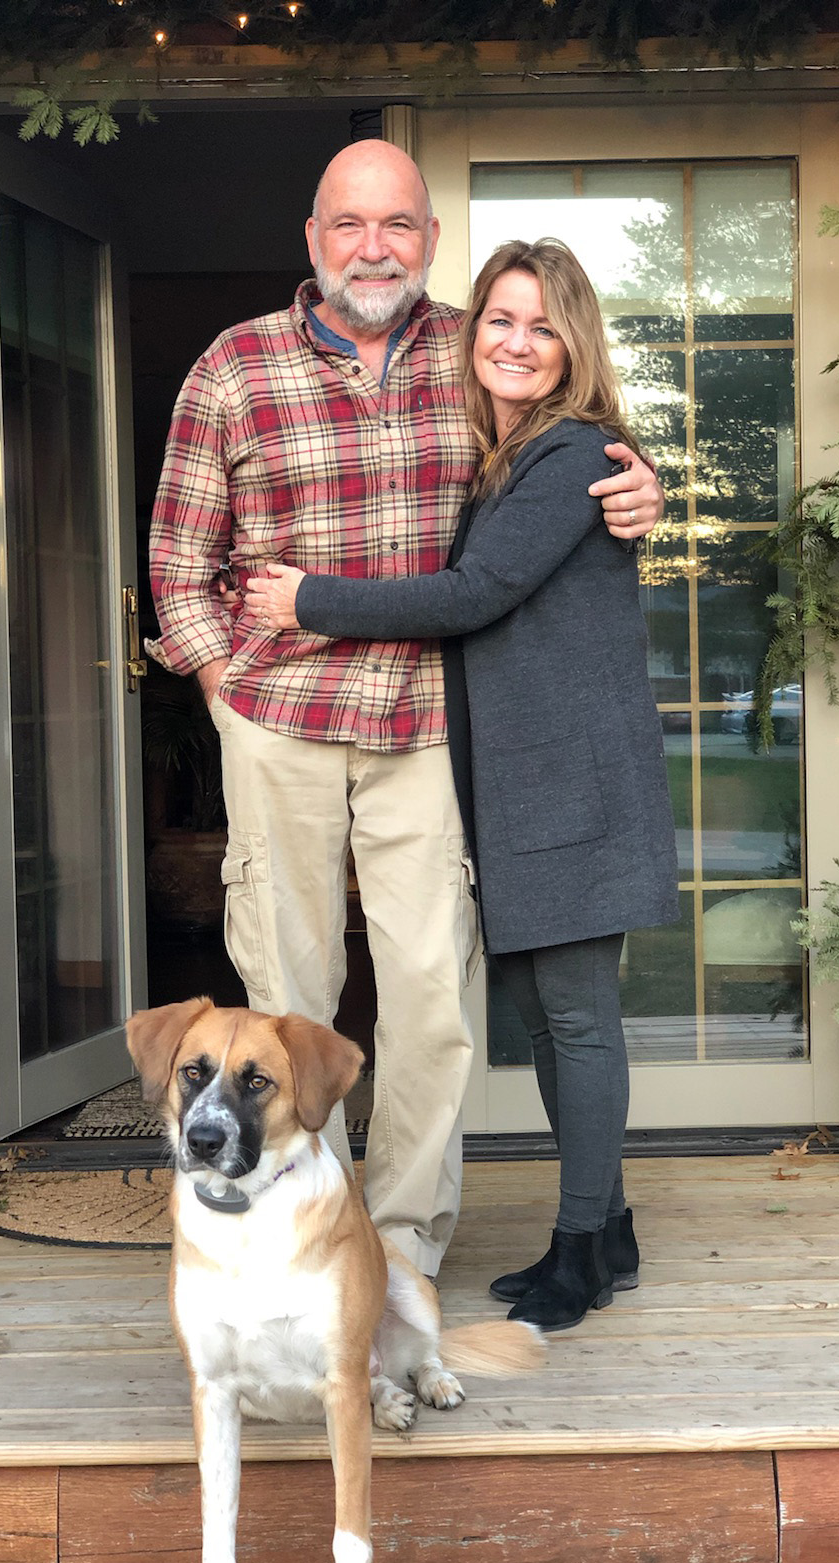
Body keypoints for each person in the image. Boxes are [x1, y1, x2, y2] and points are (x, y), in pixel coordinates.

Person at [147, 142, 663, 1277]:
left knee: (432, 1004)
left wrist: (639, 482)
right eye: (348, 224)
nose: (372, 247)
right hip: (278, 723)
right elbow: (179, 564)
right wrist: (223, 692)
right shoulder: (232, 368)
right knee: (285, 1009)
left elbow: (567, 436)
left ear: (429, 240)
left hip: (427, 728)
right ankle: (290, 1239)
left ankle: (406, 1249)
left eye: (396, 225)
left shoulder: (474, 356)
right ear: (312, 239)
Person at [244, 238, 678, 1331]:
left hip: (572, 784)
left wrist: (311, 601)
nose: (517, 342)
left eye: (542, 325)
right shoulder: (517, 454)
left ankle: (581, 1246)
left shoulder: (575, 451)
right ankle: (609, 1225)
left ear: (574, 343)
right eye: (500, 321)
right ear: (468, 331)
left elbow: (474, 592)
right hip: (531, 786)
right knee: (543, 1011)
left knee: (574, 1018)